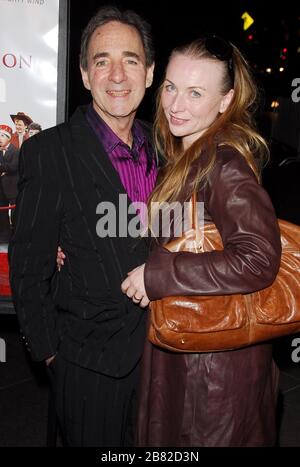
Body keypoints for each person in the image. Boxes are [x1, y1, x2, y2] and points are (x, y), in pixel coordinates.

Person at [121, 36, 282, 446]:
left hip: (212, 376)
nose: (176, 105)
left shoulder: (224, 164)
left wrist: (156, 274)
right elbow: (186, 237)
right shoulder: (190, 157)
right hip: (192, 350)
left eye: (196, 93)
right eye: (171, 87)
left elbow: (258, 258)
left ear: (225, 101)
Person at [9, 5, 156, 447]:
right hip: (87, 368)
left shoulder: (169, 150)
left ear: (149, 73)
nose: (117, 75)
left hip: (165, 360)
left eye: (130, 60)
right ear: (84, 74)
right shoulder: (49, 153)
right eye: (101, 61)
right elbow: (29, 266)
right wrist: (52, 355)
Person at [0, 124, 19, 235]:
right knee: (2, 214)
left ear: (9, 138)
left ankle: (16, 235)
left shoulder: (15, 151)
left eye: (3, 135)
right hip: (1, 188)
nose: (0, 138)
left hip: (12, 188)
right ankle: (4, 236)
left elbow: (13, 167)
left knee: (15, 213)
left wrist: (2, 166)